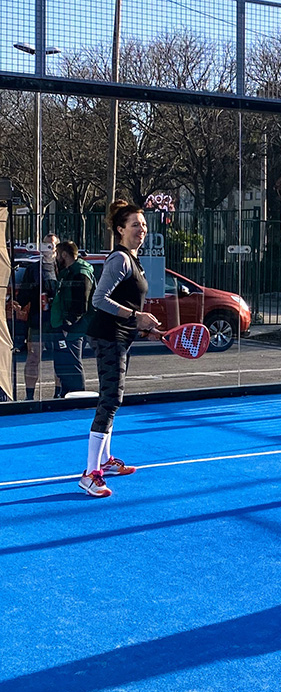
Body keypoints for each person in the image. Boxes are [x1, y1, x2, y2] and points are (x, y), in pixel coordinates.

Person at [79, 201, 161, 498]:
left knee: (112, 399)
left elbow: (125, 303)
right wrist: (136, 316)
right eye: (135, 225)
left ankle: (105, 460)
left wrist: (143, 327)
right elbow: (99, 299)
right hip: (107, 336)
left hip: (120, 335)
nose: (142, 229)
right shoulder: (120, 259)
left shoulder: (134, 261)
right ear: (120, 229)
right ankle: (90, 474)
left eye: (144, 224)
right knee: (111, 399)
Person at [12, 233, 59, 400]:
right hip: (37, 319)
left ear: (56, 248)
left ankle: (59, 393)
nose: (47, 249)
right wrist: (18, 303)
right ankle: (30, 395)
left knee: (60, 357)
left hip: (58, 319)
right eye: (44, 245)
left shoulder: (62, 267)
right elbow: (25, 292)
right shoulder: (33, 269)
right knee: (33, 357)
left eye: (50, 245)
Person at [49, 241, 96, 397]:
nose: (55, 258)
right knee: (63, 362)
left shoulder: (80, 273)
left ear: (64, 254)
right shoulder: (68, 271)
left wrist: (68, 325)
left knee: (72, 363)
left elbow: (81, 303)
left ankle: (77, 396)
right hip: (65, 325)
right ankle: (66, 393)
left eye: (57, 254)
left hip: (75, 328)